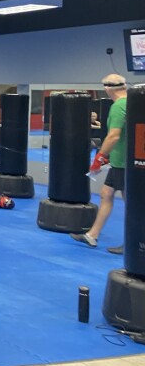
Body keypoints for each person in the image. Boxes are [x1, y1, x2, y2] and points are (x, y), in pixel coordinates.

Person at [71, 75, 127, 253]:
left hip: (124, 164)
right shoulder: (130, 102)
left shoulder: (119, 106)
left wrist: (100, 156)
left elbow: (114, 136)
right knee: (106, 194)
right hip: (119, 160)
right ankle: (92, 235)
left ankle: (135, 244)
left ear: (108, 88)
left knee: (133, 205)